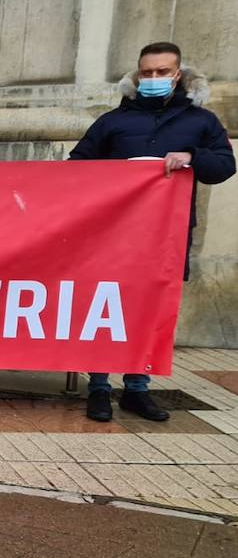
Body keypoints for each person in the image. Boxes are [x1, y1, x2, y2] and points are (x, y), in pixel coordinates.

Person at [69, 41, 234, 423]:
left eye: (163, 72)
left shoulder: (201, 122)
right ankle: (99, 387)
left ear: (179, 75)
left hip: (166, 236)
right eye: (148, 72)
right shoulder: (113, 121)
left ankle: (138, 389)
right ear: (137, 74)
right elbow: (76, 166)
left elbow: (224, 165)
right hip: (112, 235)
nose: (155, 78)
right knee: (105, 306)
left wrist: (193, 156)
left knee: (151, 309)